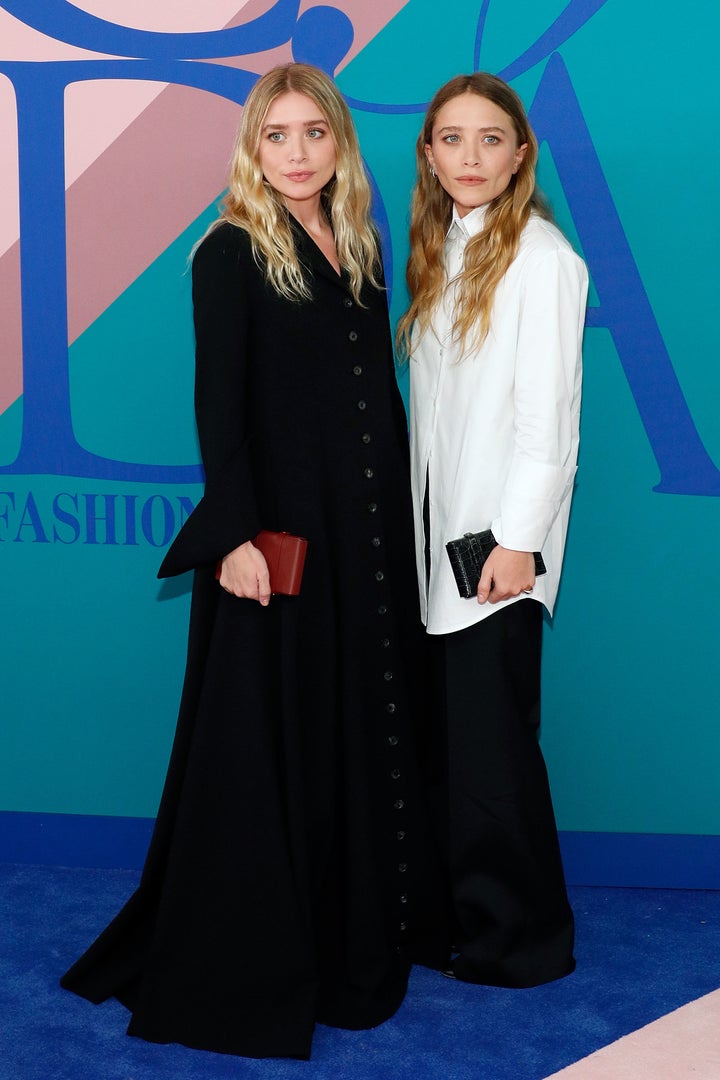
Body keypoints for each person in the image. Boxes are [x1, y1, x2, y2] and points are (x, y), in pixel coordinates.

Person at [61, 62, 446, 1060]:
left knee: (354, 722)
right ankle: (269, 949)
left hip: (362, 538)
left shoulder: (356, 242)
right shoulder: (228, 251)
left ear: (341, 142)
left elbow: (372, 400)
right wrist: (231, 538)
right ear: (252, 148)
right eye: (277, 136)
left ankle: (356, 921)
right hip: (277, 541)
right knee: (274, 737)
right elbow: (217, 406)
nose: (297, 153)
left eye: (313, 133)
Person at [398, 72, 588, 988]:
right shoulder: (447, 250)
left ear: (523, 154)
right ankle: (463, 920)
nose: (469, 158)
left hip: (494, 560)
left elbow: (548, 423)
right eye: (450, 140)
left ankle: (525, 941)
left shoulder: (541, 257)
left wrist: (517, 543)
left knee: (494, 758)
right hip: (441, 550)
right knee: (453, 749)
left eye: (489, 139)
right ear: (429, 155)